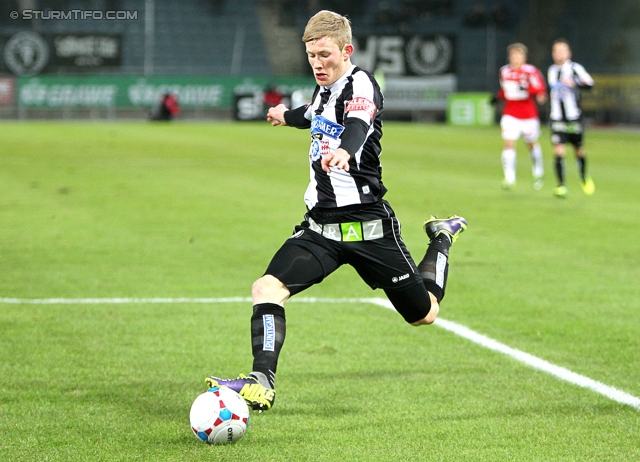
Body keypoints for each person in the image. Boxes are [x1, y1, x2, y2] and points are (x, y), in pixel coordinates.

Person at [205, 10, 467, 411]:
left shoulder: (361, 83)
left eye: (325, 55)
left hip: (369, 229)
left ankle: (442, 237)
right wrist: (284, 115)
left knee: (424, 315)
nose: (317, 63)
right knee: (266, 289)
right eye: (311, 55)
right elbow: (312, 114)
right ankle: (261, 380)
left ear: (347, 50)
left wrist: (346, 150)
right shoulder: (324, 89)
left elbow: (358, 123)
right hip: (321, 230)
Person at [492, 43, 547, 191]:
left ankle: (538, 172)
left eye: (519, 55)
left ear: (524, 57)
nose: (516, 58)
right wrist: (497, 97)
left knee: (531, 145)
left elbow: (540, 89)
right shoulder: (504, 71)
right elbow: (506, 90)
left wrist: (527, 88)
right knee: (509, 143)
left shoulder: (531, 72)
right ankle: (509, 178)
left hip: (528, 115)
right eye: (513, 55)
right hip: (510, 113)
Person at [547, 38, 595, 198]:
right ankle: (561, 185)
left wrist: (574, 82)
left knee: (579, 150)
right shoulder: (551, 70)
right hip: (557, 118)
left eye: (562, 50)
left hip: (574, 117)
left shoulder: (575, 68)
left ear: (568, 53)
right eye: (556, 50)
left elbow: (590, 84)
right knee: (558, 151)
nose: (558, 53)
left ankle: (583, 176)